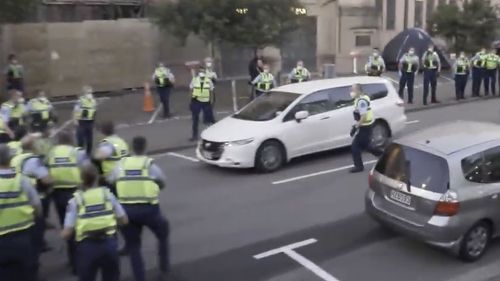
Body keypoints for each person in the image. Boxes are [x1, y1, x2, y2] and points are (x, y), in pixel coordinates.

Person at [107, 136, 169, 281]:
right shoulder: (149, 165)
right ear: (145, 147)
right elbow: (162, 181)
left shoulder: (121, 164)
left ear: (131, 148)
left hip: (127, 211)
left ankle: (140, 277)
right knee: (163, 234)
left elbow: (111, 180)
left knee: (134, 246)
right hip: (149, 210)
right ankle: (164, 270)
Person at [61, 163, 128, 281]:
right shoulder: (107, 195)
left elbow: (66, 233)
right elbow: (124, 220)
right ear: (97, 177)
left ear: (81, 179)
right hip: (109, 244)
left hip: (87, 247)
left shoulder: (76, 200)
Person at [47, 130, 89, 271]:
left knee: (66, 224)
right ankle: (80, 261)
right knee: (78, 226)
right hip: (74, 192)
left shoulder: (51, 152)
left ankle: (73, 260)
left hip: (57, 193)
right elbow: (87, 169)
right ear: (71, 139)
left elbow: (45, 168)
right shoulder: (77, 152)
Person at [0, 145, 42, 281]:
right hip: (22, 235)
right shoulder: (22, 179)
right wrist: (37, 219)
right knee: (26, 273)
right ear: (10, 159)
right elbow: (36, 205)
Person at [11, 134, 53, 256]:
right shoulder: (33, 160)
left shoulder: (15, 159)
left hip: (20, 198)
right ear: (32, 146)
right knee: (36, 231)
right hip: (36, 197)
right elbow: (46, 180)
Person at [349, 84, 383, 173]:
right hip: (365, 126)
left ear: (358, 91)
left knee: (355, 146)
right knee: (366, 145)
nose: (351, 92)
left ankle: (359, 167)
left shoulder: (361, 101)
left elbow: (363, 116)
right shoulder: (360, 99)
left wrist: (356, 127)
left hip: (365, 126)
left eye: (353, 90)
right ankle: (383, 155)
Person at [93, 121, 129, 185]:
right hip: (124, 174)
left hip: (112, 177)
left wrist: (100, 173)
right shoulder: (121, 141)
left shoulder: (107, 143)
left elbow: (97, 158)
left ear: (102, 131)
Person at [189, 69, 215, 141]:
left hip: (206, 102)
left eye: (203, 72)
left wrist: (212, 100)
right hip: (196, 101)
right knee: (195, 119)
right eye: (200, 72)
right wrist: (190, 101)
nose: (201, 73)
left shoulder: (208, 80)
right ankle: (194, 136)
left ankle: (211, 136)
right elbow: (191, 90)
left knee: (208, 120)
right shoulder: (194, 80)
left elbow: (211, 91)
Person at [74, 85, 97, 155]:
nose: (90, 94)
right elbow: (75, 111)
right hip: (81, 122)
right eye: (88, 93)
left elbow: (94, 111)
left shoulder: (93, 101)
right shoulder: (80, 101)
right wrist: (75, 120)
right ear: (84, 93)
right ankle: (80, 154)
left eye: (90, 92)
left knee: (90, 140)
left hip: (90, 122)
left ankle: (88, 154)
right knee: (81, 140)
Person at [204, 57, 218, 123]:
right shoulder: (203, 71)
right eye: (207, 62)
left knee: (211, 104)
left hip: (211, 89)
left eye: (210, 62)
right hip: (205, 90)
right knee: (207, 104)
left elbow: (215, 80)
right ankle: (208, 119)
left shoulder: (212, 71)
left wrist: (214, 78)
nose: (209, 63)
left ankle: (208, 118)